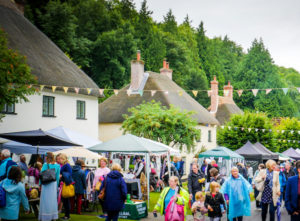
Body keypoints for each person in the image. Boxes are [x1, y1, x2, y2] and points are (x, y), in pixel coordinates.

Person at [38, 152, 60, 221]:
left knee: (45, 200)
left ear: (47, 157)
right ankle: (53, 215)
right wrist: (57, 186)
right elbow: (57, 177)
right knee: (53, 200)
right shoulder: (57, 166)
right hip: (53, 184)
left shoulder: (45, 164)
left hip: (46, 183)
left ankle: (45, 215)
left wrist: (40, 184)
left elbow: (41, 176)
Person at [59, 153, 73, 220]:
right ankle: (66, 215)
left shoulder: (67, 165)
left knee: (66, 200)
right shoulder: (65, 165)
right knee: (64, 200)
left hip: (66, 184)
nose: (59, 160)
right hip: (64, 184)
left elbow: (70, 174)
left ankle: (67, 215)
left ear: (63, 159)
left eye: (61, 158)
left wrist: (62, 175)